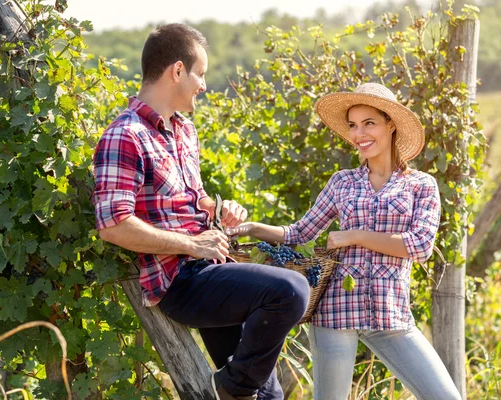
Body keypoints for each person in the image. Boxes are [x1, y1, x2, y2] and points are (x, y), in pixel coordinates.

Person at [91, 23, 309, 400]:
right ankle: (230, 389)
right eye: (201, 74)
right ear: (177, 70)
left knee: (271, 398)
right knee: (292, 290)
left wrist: (219, 209)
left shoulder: (185, 132)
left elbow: (194, 199)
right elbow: (113, 224)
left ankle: (237, 388)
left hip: (212, 269)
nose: (204, 85)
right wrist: (193, 245)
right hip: (182, 282)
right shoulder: (124, 135)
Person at [227, 83, 462, 400]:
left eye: (369, 123)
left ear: (390, 124)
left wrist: (353, 236)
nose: (358, 134)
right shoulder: (342, 182)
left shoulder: (421, 185)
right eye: (352, 125)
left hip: (391, 316)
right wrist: (252, 227)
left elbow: (419, 247)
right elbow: (300, 232)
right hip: (335, 314)